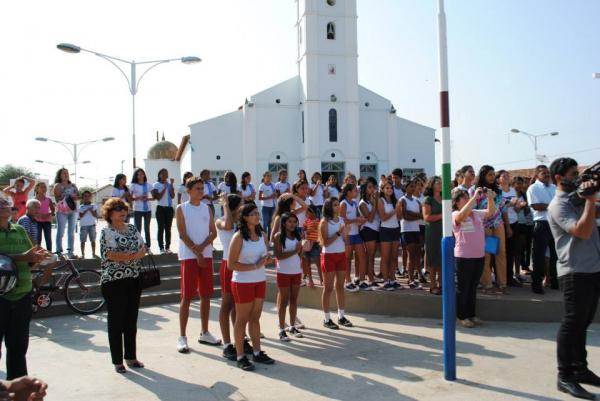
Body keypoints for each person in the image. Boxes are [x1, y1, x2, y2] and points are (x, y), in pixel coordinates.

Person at [547, 157, 600, 400]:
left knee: (583, 322)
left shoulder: (576, 198)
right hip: (574, 272)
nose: (577, 177)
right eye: (572, 173)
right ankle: (564, 376)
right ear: (559, 178)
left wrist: (591, 194)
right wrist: (590, 200)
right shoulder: (559, 205)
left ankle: (579, 368)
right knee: (571, 324)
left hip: (591, 268)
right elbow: (582, 231)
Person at [0, 197, 49, 380]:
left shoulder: (19, 230)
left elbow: (30, 256)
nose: (3, 207)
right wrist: (22, 257)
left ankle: (20, 390)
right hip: (1, 298)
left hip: (21, 295)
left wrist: (37, 257)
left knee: (18, 349)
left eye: (5, 204)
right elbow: (21, 256)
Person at [99, 198, 146, 374]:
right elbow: (110, 254)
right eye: (117, 209)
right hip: (114, 281)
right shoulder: (106, 231)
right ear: (109, 213)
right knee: (116, 322)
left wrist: (134, 254)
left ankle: (131, 356)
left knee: (131, 320)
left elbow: (143, 247)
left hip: (133, 279)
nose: (122, 211)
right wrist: (134, 256)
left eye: (124, 208)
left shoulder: (132, 228)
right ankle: (118, 360)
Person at [228, 203, 275, 371]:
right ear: (245, 217)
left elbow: (264, 256)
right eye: (253, 213)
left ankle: (257, 352)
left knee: (255, 318)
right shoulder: (238, 237)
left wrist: (267, 260)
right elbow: (231, 264)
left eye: (257, 213)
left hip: (259, 280)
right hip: (242, 282)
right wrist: (255, 266)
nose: (257, 216)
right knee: (242, 319)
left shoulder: (262, 235)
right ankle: (240, 356)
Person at [175, 177, 220, 353]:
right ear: (189, 191)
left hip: (205, 256)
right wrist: (197, 252)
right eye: (198, 188)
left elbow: (213, 232)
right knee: (186, 297)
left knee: (206, 295)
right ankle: (182, 337)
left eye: (202, 188)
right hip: (189, 257)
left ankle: (205, 332)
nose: (201, 191)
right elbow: (182, 234)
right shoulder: (181, 208)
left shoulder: (207, 208)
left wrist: (202, 251)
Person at [452, 187, 496, 328]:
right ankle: (462, 316)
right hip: (464, 256)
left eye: (468, 197)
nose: (467, 199)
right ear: (457, 202)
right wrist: (474, 198)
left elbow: (491, 212)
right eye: (464, 198)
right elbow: (460, 217)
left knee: (472, 287)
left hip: (479, 255)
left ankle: (471, 314)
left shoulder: (476, 213)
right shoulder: (455, 213)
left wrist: (490, 198)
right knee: (463, 287)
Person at [216, 194, 252, 360]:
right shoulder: (221, 220)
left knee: (240, 306)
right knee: (227, 304)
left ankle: (241, 340)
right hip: (228, 266)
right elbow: (228, 224)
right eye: (241, 204)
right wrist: (224, 204)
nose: (244, 206)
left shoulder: (242, 223)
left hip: (242, 267)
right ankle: (227, 344)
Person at [320, 197, 353, 329]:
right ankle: (327, 318)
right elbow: (325, 242)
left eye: (338, 204)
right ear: (328, 207)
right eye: (334, 205)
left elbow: (346, 241)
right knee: (328, 288)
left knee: (340, 286)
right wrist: (339, 233)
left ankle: (341, 316)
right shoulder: (324, 222)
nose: (338, 207)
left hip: (341, 255)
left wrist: (346, 234)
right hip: (328, 256)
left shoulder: (342, 220)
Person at [475, 165, 508, 294]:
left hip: (498, 224)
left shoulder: (498, 190)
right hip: (485, 225)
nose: (492, 177)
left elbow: (501, 208)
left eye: (493, 174)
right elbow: (476, 208)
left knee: (501, 252)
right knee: (487, 254)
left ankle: (502, 283)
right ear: (483, 175)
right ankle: (487, 283)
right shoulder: (477, 191)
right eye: (489, 174)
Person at [527, 164, 559, 294]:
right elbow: (536, 206)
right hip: (541, 224)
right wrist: (553, 205)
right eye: (543, 173)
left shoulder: (554, 187)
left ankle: (554, 281)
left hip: (555, 224)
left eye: (548, 173)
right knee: (539, 256)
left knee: (555, 255)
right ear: (537, 175)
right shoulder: (533, 188)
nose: (547, 175)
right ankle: (536, 284)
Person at [273, 212, 303, 341]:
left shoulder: (298, 235)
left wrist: (301, 251)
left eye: (294, 221)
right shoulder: (278, 236)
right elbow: (278, 256)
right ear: (284, 223)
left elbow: (300, 254)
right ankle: (281, 329)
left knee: (294, 300)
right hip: (283, 273)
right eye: (289, 221)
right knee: (284, 301)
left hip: (296, 272)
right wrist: (295, 251)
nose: (292, 224)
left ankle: (292, 326)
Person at [498, 170, 525, 287]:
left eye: (508, 176)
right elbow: (499, 207)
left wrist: (519, 205)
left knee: (512, 251)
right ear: (498, 179)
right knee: (502, 252)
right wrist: (510, 203)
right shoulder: (498, 191)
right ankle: (502, 277)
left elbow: (517, 209)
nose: (506, 177)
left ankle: (510, 276)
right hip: (502, 224)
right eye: (503, 176)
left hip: (515, 221)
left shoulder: (513, 190)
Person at [378, 181, 402, 290]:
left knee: (394, 257)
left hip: (395, 229)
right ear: (382, 189)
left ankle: (392, 279)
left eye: (390, 188)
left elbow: (399, 217)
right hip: (385, 230)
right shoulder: (380, 200)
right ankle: (385, 280)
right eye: (387, 188)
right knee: (385, 257)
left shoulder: (395, 201)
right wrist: (395, 211)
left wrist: (399, 210)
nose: (389, 189)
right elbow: (383, 217)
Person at [400, 179, 423, 289]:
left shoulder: (417, 201)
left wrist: (412, 214)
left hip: (416, 229)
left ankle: (419, 275)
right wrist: (415, 215)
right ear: (405, 188)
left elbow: (421, 215)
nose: (413, 188)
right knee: (410, 254)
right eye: (410, 186)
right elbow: (405, 216)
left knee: (417, 254)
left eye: (414, 186)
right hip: (406, 230)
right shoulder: (402, 200)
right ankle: (411, 278)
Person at [358, 177, 380, 287]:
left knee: (372, 256)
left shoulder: (372, 200)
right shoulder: (362, 203)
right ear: (365, 189)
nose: (372, 189)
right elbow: (370, 218)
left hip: (375, 229)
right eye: (370, 187)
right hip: (367, 230)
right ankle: (370, 279)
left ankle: (371, 276)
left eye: (373, 187)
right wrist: (375, 203)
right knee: (370, 256)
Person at [53, 168, 79, 258]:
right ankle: (59, 252)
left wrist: (74, 196)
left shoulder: (73, 185)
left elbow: (78, 196)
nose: (66, 174)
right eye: (64, 173)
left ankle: (70, 252)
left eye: (67, 173)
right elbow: (57, 199)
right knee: (61, 231)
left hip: (73, 210)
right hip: (62, 211)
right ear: (59, 175)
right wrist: (66, 197)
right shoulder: (57, 185)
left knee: (71, 232)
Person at [423, 176, 443, 295]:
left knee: (441, 260)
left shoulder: (444, 198)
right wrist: (443, 215)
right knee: (433, 260)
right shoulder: (428, 199)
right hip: (432, 232)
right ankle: (432, 285)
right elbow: (427, 217)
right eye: (437, 183)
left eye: (441, 183)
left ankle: (441, 284)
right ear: (432, 185)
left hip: (443, 232)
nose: (440, 185)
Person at [152, 169, 175, 255]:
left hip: (169, 208)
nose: (165, 175)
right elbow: (158, 197)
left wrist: (171, 185)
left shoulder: (169, 185)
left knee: (168, 229)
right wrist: (165, 188)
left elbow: (172, 196)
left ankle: (168, 247)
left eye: (166, 174)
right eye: (163, 174)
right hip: (160, 208)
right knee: (161, 228)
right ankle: (161, 248)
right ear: (159, 175)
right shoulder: (156, 185)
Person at [130, 169, 153, 251]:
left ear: (144, 175)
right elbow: (130, 198)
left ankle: (148, 247)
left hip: (148, 210)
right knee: (138, 229)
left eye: (142, 174)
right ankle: (139, 246)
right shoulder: (133, 185)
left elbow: (154, 197)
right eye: (138, 174)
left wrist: (148, 198)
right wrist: (139, 197)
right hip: (137, 210)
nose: (140, 175)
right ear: (136, 176)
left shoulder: (149, 185)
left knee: (147, 229)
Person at [303, 205, 322, 287]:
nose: (306, 214)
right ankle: (310, 279)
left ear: (312, 212)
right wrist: (307, 231)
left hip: (316, 244)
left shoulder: (319, 221)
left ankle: (322, 279)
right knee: (307, 263)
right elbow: (303, 232)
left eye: (307, 212)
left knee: (318, 263)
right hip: (308, 244)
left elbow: (321, 232)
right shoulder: (306, 221)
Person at [33, 182, 54, 252]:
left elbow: (53, 210)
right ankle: (37, 254)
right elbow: (31, 211)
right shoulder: (33, 200)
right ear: (37, 189)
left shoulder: (48, 199)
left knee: (48, 238)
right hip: (37, 221)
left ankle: (50, 253)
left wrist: (49, 214)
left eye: (44, 187)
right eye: (41, 187)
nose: (43, 189)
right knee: (38, 239)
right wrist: (37, 214)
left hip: (47, 221)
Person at [78, 191, 98, 259]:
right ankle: (83, 254)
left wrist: (91, 210)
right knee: (82, 240)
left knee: (93, 240)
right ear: (83, 198)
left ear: (90, 197)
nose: (87, 198)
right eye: (85, 196)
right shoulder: (81, 206)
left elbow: (95, 215)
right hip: (84, 225)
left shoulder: (94, 205)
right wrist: (86, 210)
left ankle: (94, 254)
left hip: (92, 225)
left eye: (88, 196)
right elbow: (80, 216)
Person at [258, 171, 277, 240]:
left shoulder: (273, 185)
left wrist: (275, 195)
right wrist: (270, 197)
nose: (269, 177)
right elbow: (259, 198)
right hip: (265, 207)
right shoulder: (262, 185)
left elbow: (275, 195)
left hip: (272, 206)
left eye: (270, 176)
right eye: (267, 176)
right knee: (265, 223)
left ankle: (269, 239)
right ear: (264, 177)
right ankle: (264, 238)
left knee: (271, 224)